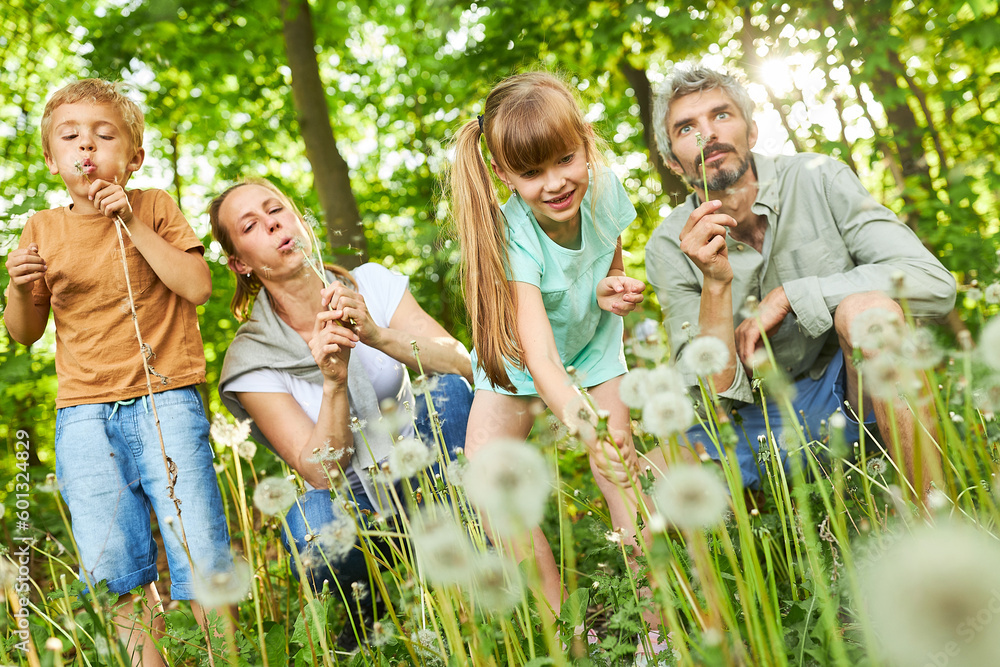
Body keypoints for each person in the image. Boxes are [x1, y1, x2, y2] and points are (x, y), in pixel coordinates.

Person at [3, 79, 232, 666]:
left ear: (133, 158)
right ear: (52, 161)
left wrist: (132, 223)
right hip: (83, 413)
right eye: (71, 138)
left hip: (166, 398)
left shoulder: (153, 206)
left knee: (199, 548)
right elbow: (26, 332)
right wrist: (20, 285)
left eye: (104, 136)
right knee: (113, 560)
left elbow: (197, 287)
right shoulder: (41, 229)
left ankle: (223, 657)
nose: (88, 148)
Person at [645, 64, 956, 495]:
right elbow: (709, 394)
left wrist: (795, 295)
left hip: (845, 394)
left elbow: (932, 282)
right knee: (642, 487)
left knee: (870, 312)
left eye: (721, 115)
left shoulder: (820, 178)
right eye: (685, 128)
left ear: (751, 131)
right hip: (746, 425)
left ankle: (934, 528)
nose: (707, 135)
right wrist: (715, 283)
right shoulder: (668, 245)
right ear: (671, 162)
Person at [449, 71, 663, 657]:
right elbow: (540, 353)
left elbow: (606, 269)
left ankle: (656, 624)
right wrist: (579, 419)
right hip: (520, 358)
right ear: (503, 175)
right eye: (531, 173)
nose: (555, 183)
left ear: (585, 143)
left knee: (620, 469)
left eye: (566, 159)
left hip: (593, 346)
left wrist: (611, 290)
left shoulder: (607, 192)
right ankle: (564, 629)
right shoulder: (512, 232)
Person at [210, 178, 474, 650]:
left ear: (298, 218)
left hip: (426, 473)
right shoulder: (250, 358)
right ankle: (370, 635)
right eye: (251, 225)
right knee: (312, 537)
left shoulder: (370, 283)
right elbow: (318, 470)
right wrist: (333, 381)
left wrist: (376, 334)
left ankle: (474, 576)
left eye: (276, 210)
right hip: (356, 500)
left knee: (449, 393)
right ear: (240, 263)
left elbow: (460, 363)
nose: (272, 224)